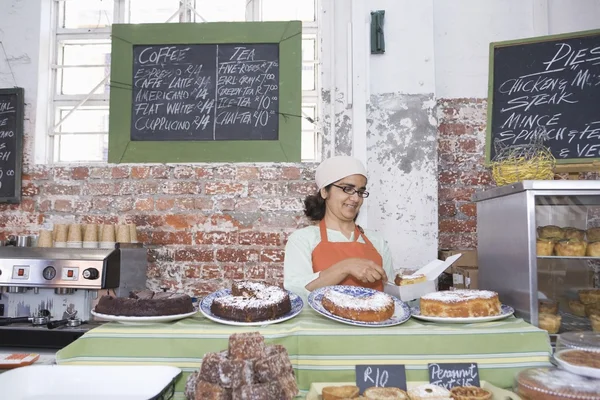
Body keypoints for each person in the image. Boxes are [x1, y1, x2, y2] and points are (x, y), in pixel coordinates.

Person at [283, 155, 394, 297]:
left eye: (360, 191)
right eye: (347, 189)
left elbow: (392, 295)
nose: (355, 198)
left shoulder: (377, 241)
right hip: (321, 320)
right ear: (324, 191)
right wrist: (345, 267)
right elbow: (296, 293)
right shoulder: (303, 239)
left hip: (372, 319)